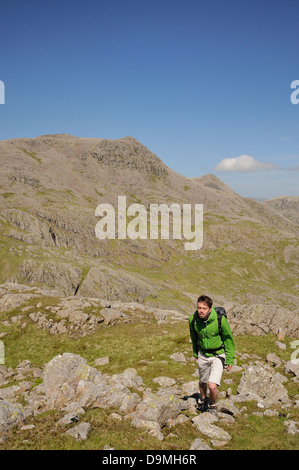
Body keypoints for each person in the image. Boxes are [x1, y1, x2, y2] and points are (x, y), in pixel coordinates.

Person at [189, 295, 235, 413]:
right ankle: (203, 400)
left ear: (210, 308)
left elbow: (228, 339)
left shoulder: (220, 319)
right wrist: (195, 352)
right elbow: (194, 338)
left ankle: (213, 406)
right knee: (202, 381)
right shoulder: (193, 320)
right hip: (203, 355)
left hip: (218, 355)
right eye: (199, 308)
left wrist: (229, 360)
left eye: (204, 308)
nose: (201, 311)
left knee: (212, 385)